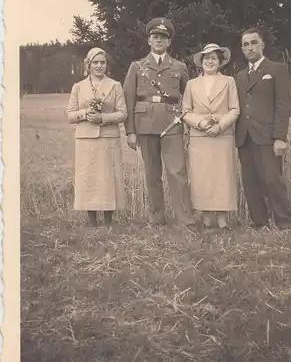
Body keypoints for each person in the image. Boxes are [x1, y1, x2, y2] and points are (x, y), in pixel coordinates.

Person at [123, 17, 196, 227]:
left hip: (172, 123)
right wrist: (130, 131)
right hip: (144, 124)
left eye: (163, 37)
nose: (159, 40)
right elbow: (129, 100)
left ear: (169, 42)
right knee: (152, 173)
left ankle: (185, 219)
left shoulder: (179, 67)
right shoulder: (137, 67)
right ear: (149, 40)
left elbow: (189, 96)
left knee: (177, 172)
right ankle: (156, 218)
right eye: (155, 36)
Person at [235, 27, 291, 229]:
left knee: (272, 179)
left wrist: (280, 137)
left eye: (253, 43)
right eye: (245, 44)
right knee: (250, 181)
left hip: (268, 135)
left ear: (262, 45)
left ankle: (285, 222)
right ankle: (259, 222)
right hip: (244, 136)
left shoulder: (276, 69)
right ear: (242, 49)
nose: (249, 48)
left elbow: (283, 105)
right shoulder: (240, 76)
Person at [182, 43, 240, 231]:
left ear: (220, 61)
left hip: (223, 136)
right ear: (201, 61)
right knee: (203, 176)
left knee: (223, 176)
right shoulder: (192, 84)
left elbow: (234, 109)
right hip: (200, 137)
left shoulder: (229, 81)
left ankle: (223, 221)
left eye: (214, 58)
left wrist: (221, 125)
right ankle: (207, 220)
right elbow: (185, 111)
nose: (210, 61)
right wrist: (202, 123)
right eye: (206, 58)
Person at [67, 47, 127, 227]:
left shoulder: (115, 85)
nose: (99, 66)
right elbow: (70, 115)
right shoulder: (78, 87)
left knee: (108, 177)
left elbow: (122, 113)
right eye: (95, 62)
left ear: (106, 65)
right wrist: (85, 113)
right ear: (88, 65)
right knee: (89, 178)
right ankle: (91, 219)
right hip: (85, 139)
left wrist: (103, 118)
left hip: (108, 138)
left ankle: (109, 220)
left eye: (102, 62)